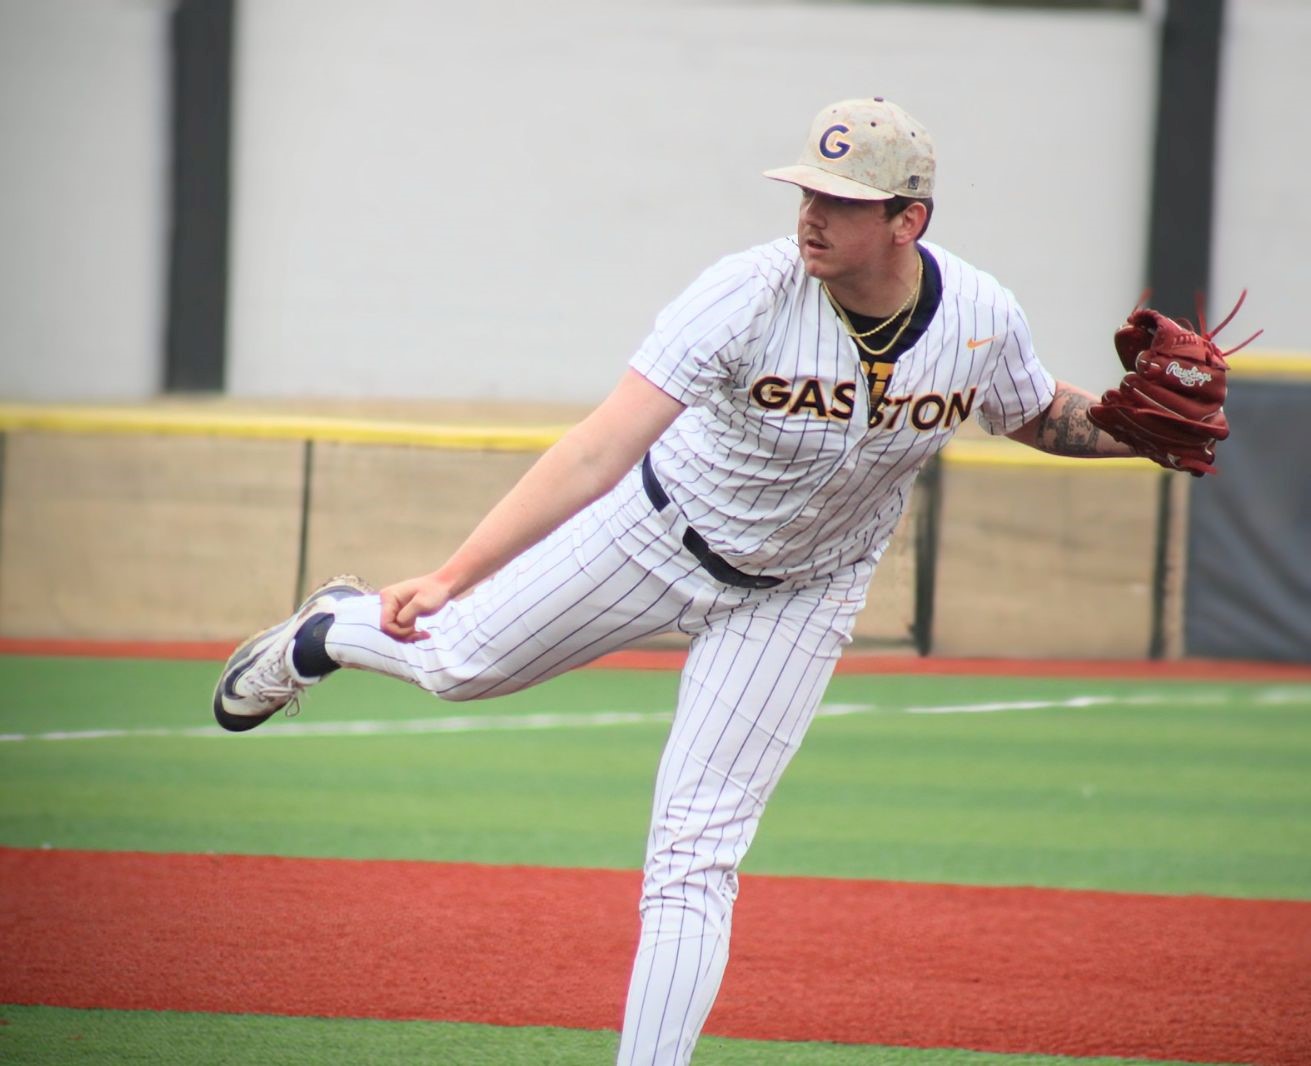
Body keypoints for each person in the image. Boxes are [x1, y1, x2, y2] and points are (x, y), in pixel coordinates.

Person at [213, 97, 1135, 1064]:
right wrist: (456, 571)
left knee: (696, 853)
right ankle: (328, 630)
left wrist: (1135, 436)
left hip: (804, 593)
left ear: (908, 220)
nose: (812, 214)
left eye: (843, 200)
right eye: (808, 190)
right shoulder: (747, 292)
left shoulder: (982, 316)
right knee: (456, 665)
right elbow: (597, 449)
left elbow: (1030, 413)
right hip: (655, 531)